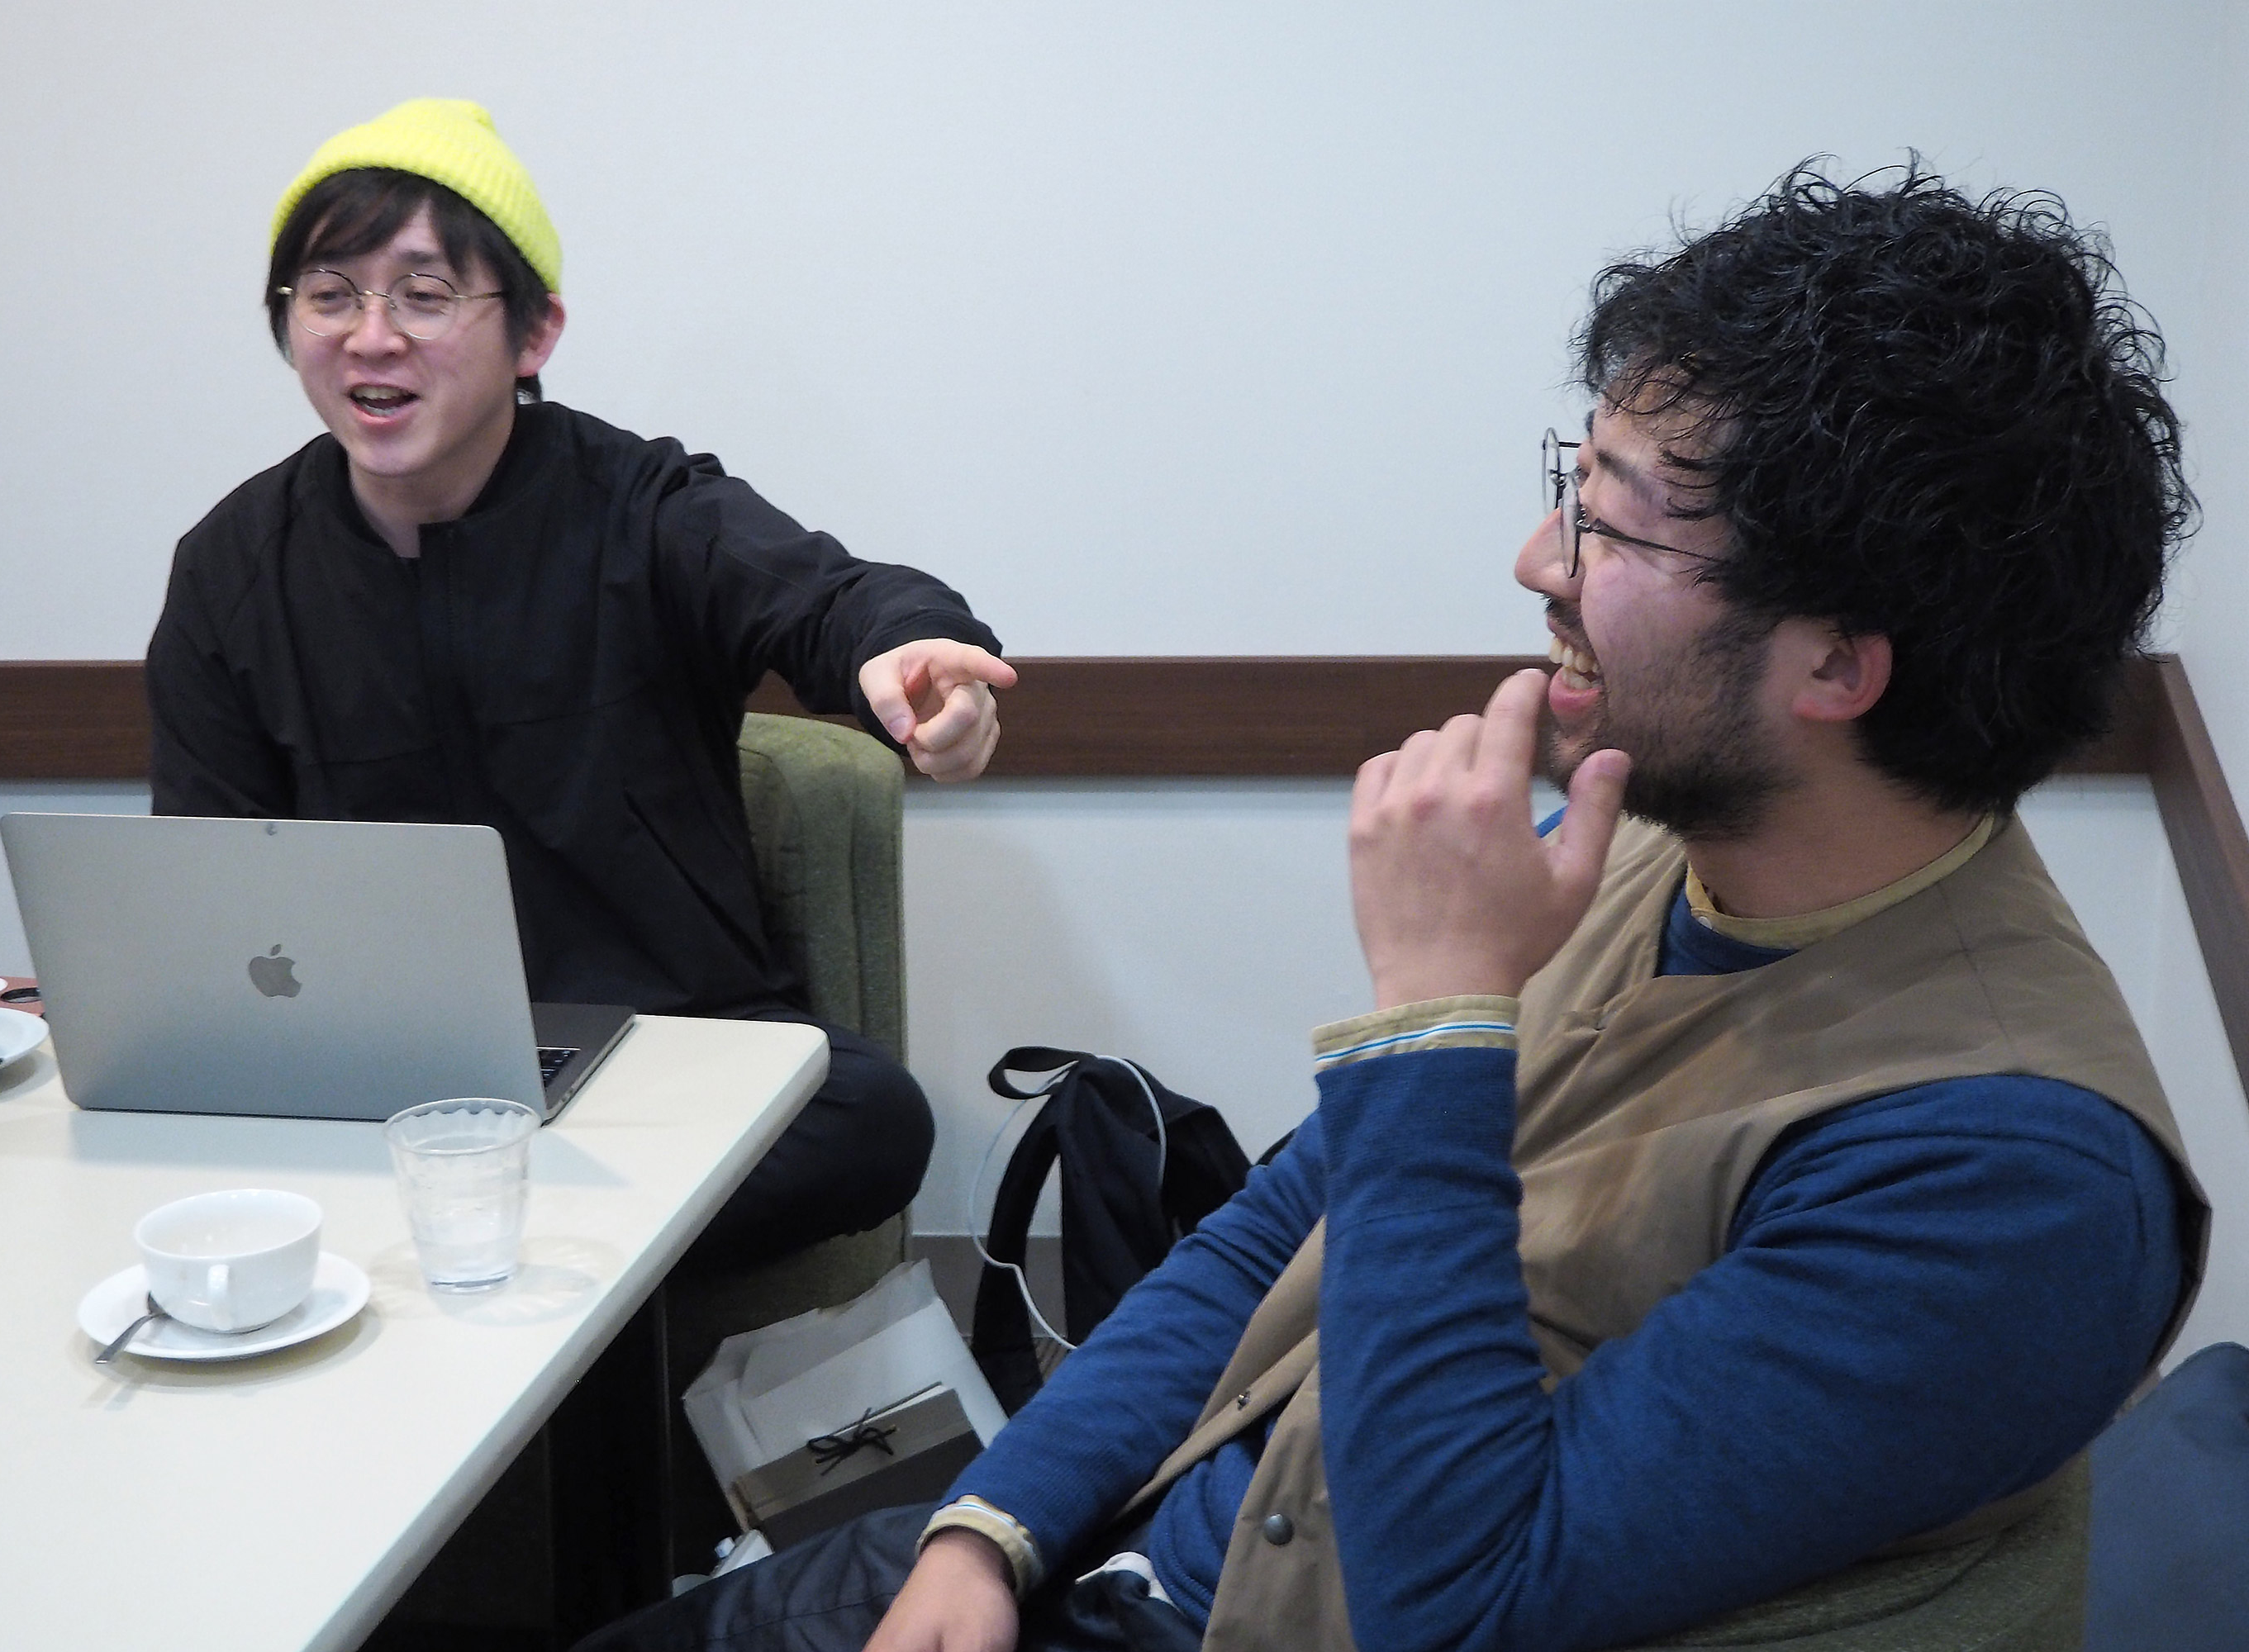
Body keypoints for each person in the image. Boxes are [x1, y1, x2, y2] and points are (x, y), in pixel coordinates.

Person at [581, 164, 2211, 1652]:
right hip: (1127, 1550)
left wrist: (1435, 1019)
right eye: (1572, 482)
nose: (1537, 558)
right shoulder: (1648, 842)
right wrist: (991, 1525)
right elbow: (1277, 1233)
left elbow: (1451, 1598)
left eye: (1610, 519)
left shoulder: (2012, 1175)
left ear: (1839, 665)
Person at [145, 99, 1015, 1270]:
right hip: (384, 1076)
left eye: (423, 295)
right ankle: (525, 1238)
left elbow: (836, 601)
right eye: (330, 294)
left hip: (670, 1050)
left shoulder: (642, 509)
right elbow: (201, 880)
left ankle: (467, 1233)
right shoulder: (233, 567)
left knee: (871, 1116)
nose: (370, 337)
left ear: (534, 331)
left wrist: (914, 654)